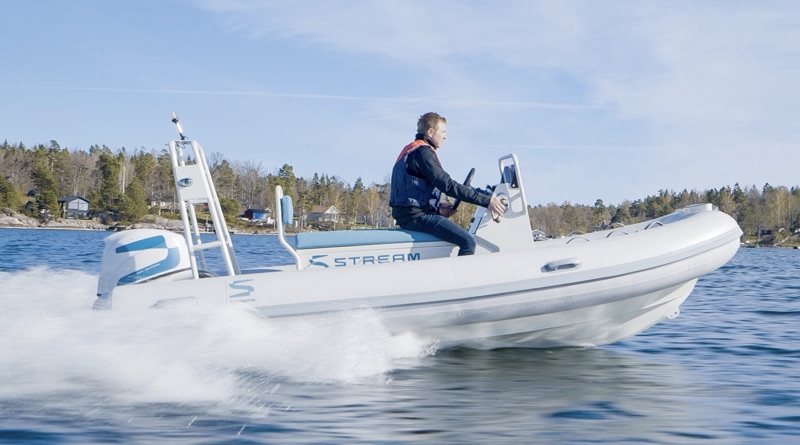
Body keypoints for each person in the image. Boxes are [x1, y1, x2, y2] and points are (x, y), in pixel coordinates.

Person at [390, 112, 506, 255]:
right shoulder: (423, 153)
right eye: (443, 132)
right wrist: (487, 201)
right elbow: (448, 186)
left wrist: (438, 209)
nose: (445, 136)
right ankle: (462, 277)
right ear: (430, 132)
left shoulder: (412, 150)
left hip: (409, 214)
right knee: (468, 242)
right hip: (416, 217)